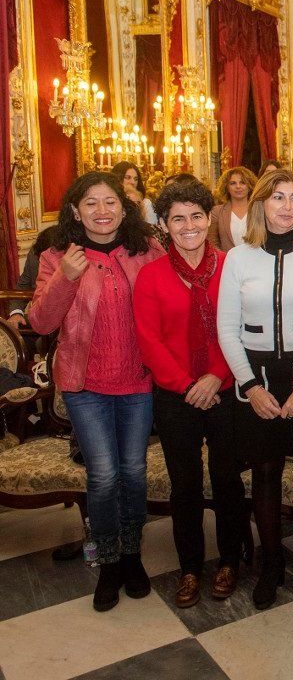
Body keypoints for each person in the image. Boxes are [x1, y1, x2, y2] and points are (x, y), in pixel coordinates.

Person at [27, 172, 164, 612]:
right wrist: (65, 277)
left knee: (135, 471)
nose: (101, 211)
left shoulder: (146, 250)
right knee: (104, 477)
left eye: (110, 203)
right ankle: (108, 563)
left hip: (138, 380)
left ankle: (132, 556)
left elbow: (174, 299)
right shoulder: (56, 256)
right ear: (75, 210)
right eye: (91, 203)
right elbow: (41, 323)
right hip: (85, 383)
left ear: (125, 210)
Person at [216, 170, 293, 612]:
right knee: (265, 473)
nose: (286, 207)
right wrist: (249, 387)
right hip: (256, 378)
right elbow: (227, 330)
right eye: (277, 198)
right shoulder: (238, 258)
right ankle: (270, 565)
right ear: (260, 204)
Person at [133, 181, 244, 609]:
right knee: (186, 487)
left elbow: (239, 329)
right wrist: (187, 386)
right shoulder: (152, 276)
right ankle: (191, 567)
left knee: (228, 481)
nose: (189, 226)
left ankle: (230, 560)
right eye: (178, 218)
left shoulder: (230, 266)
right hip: (175, 395)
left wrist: (215, 376)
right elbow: (149, 340)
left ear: (208, 218)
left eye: (196, 216)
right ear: (164, 225)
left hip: (226, 387)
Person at [208, 166, 259, 251]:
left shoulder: (259, 210)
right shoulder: (216, 212)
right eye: (233, 183)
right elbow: (212, 243)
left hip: (256, 261)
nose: (238, 186)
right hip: (227, 262)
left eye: (242, 182)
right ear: (226, 187)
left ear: (250, 186)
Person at [112, 161, 157, 225]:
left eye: (136, 179)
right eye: (128, 177)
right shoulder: (110, 201)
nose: (133, 182)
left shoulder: (145, 203)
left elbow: (151, 228)